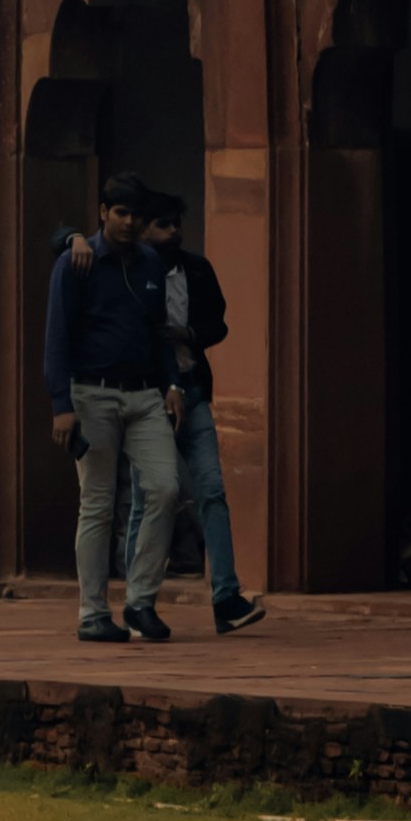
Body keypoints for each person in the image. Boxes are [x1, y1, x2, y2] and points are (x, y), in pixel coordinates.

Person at [43, 159, 179, 644]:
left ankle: (140, 602)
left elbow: (158, 331)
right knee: (97, 503)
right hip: (91, 393)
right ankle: (92, 612)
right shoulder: (76, 261)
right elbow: (56, 336)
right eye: (120, 212)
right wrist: (62, 403)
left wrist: (172, 385)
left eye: (135, 215)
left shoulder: (149, 265)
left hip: (144, 394)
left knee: (165, 487)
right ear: (103, 212)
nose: (128, 221)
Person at [142, 181, 264, 638]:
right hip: (149, 398)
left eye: (176, 224)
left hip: (193, 391)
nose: (172, 232)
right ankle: (141, 602)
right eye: (162, 224)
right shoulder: (135, 273)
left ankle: (225, 598)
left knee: (211, 490)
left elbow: (219, 322)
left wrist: (189, 334)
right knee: (153, 498)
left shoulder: (195, 269)